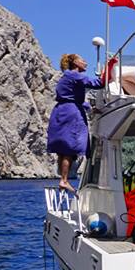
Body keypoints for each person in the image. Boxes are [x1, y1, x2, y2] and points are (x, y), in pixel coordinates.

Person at [46, 53, 102, 192]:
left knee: (63, 149)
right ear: (75, 62)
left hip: (61, 112)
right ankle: (64, 180)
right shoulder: (75, 75)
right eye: (82, 60)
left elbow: (74, 98)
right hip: (71, 114)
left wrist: (90, 108)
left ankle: (62, 179)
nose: (86, 63)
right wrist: (110, 71)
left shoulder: (66, 76)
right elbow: (97, 84)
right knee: (69, 149)